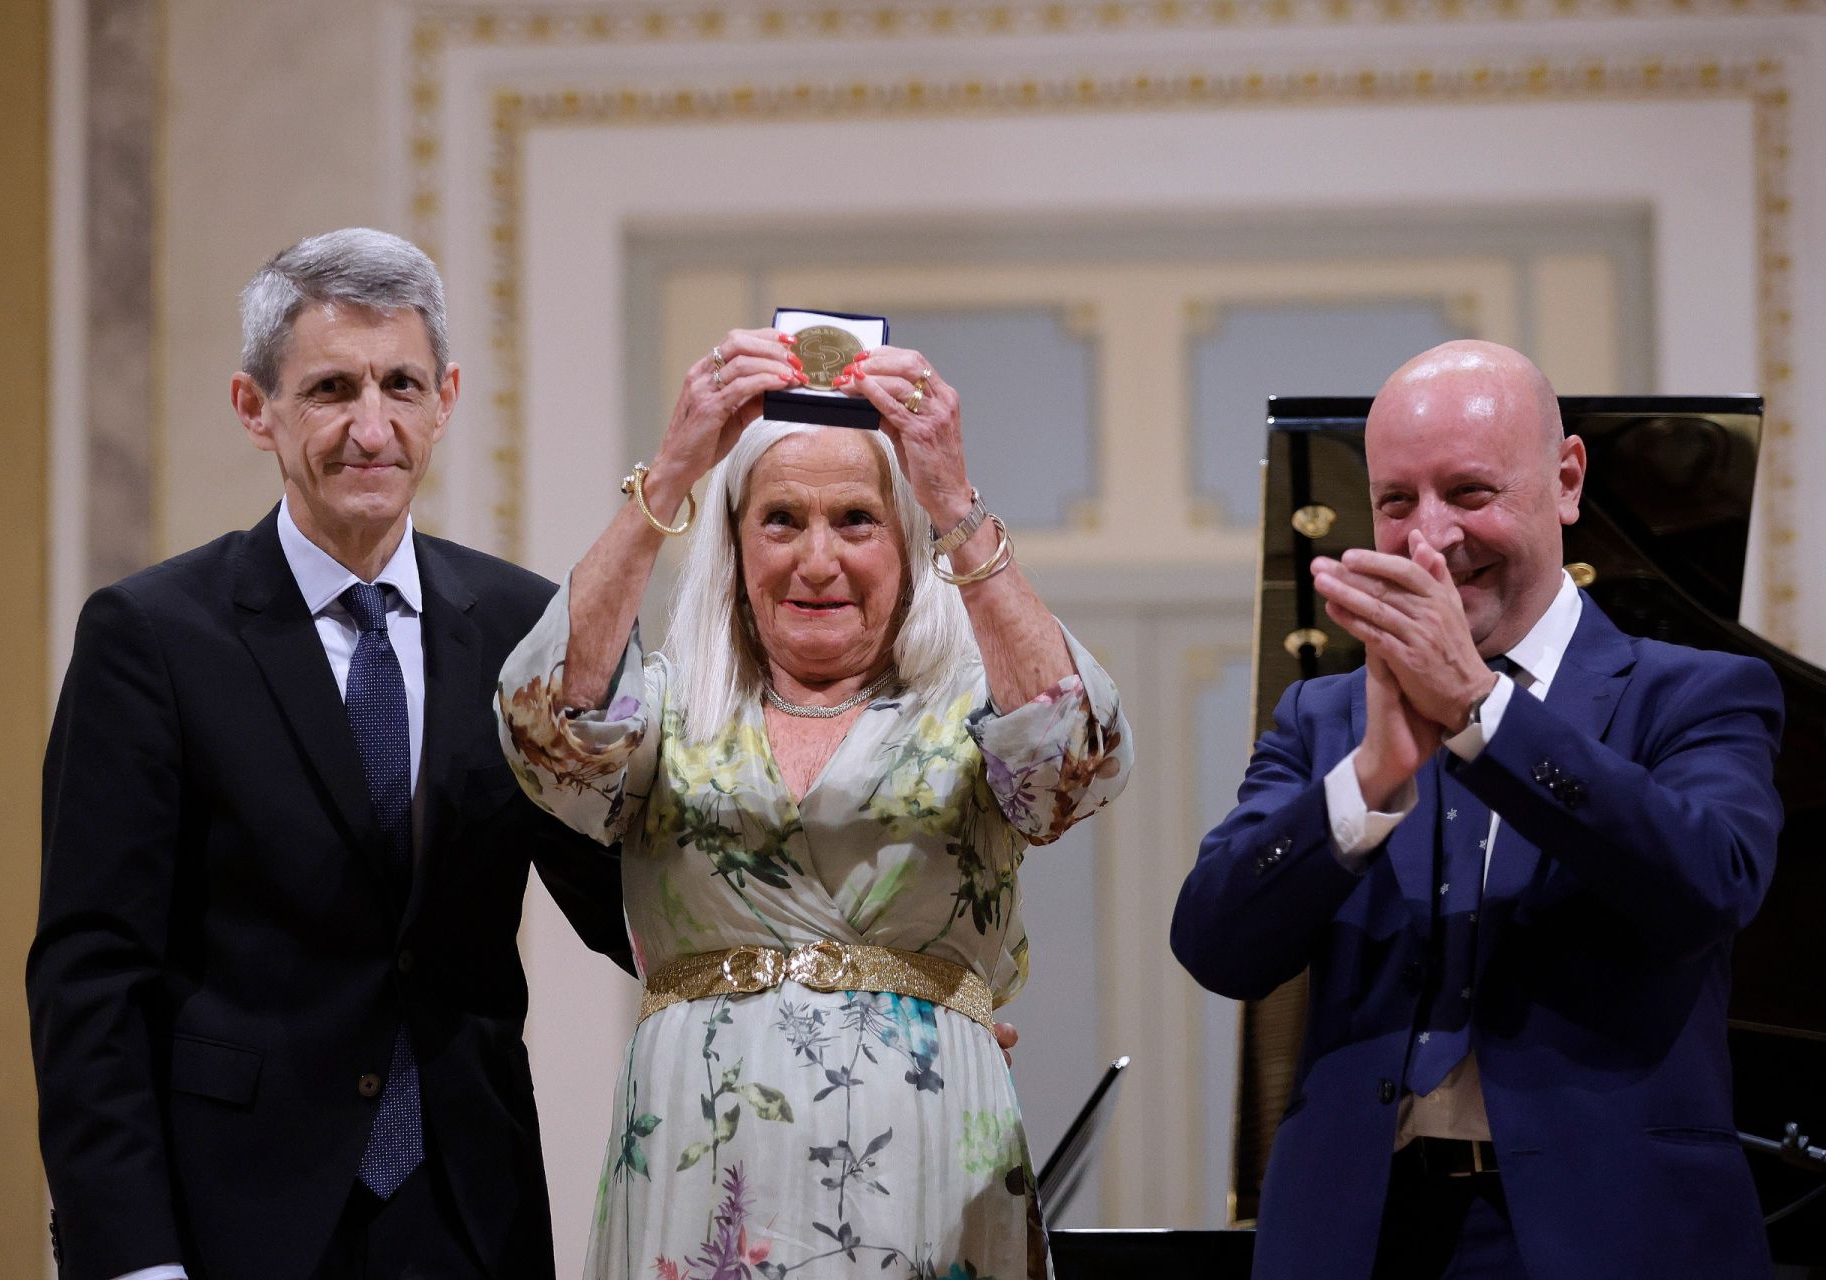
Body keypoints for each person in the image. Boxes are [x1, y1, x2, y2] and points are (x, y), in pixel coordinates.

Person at [28, 228, 634, 1280]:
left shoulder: (522, 627)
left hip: (467, 1214)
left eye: (401, 384)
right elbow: (90, 981)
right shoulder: (152, 637)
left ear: (446, 398)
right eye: (330, 389)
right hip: (230, 1218)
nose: (372, 427)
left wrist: (860, 983)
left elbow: (626, 897)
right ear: (253, 407)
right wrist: (130, 1255)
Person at [496, 328, 1131, 1278]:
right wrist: (671, 472)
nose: (818, 559)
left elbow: (1078, 755)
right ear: (737, 544)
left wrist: (954, 501)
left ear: (907, 545)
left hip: (927, 1160)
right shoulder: (671, 708)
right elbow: (545, 727)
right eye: (782, 520)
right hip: (700, 1164)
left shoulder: (969, 707)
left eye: (857, 521)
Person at [1172, 340, 1784, 1280]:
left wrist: (1482, 715)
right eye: (1395, 502)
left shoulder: (1699, 694)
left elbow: (1707, 887)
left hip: (1616, 1232)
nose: (1429, 539)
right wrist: (1369, 778)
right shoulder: (1323, 712)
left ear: (1568, 479)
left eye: (1468, 494)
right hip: (1361, 1235)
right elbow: (1217, 943)